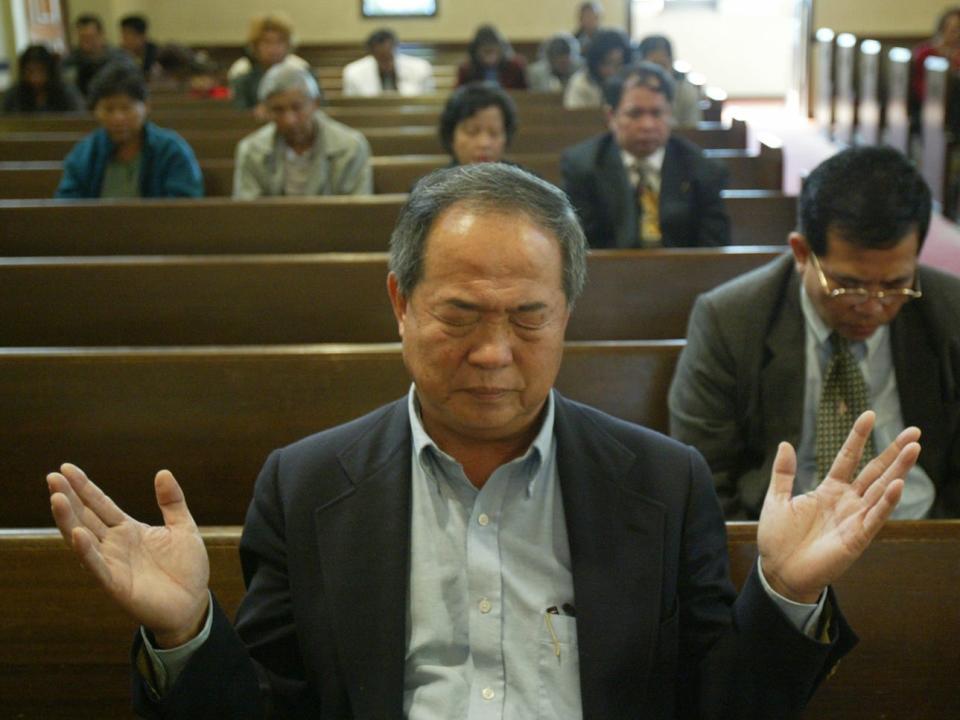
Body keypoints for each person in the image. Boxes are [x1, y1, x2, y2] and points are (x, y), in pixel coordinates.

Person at [48, 162, 919, 718]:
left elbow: (717, 707)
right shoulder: (309, 485)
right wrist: (190, 634)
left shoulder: (662, 480)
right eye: (459, 315)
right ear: (399, 303)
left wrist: (783, 597)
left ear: (567, 311)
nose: (494, 353)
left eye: (529, 317)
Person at [669, 145, 960, 521]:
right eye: (849, 285)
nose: (873, 306)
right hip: (784, 535)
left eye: (895, 284)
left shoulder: (949, 312)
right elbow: (705, 476)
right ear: (802, 252)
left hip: (920, 529)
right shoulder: (730, 321)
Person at [561, 62, 730, 248]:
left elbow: (714, 249)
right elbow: (579, 247)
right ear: (611, 116)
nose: (647, 125)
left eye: (657, 113)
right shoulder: (583, 166)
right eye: (635, 114)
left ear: (670, 113)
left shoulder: (703, 169)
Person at [55, 62, 203, 199]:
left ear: (146, 106)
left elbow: (185, 204)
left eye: (126, 108)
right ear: (96, 111)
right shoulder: (85, 152)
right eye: (108, 109)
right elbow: (66, 204)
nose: (118, 118)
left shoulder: (171, 149)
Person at [232, 64, 372, 199]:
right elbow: (247, 213)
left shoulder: (350, 146)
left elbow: (357, 213)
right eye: (278, 110)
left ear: (315, 104)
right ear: (266, 111)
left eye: (297, 107)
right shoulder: (251, 150)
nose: (289, 120)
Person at [228, 12, 313, 111]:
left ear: (288, 44)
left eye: (279, 42)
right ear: (255, 46)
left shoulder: (302, 71)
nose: (273, 48)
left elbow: (316, 106)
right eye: (267, 42)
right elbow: (238, 113)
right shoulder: (242, 76)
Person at [439, 82, 517, 165]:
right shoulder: (437, 178)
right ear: (451, 136)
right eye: (471, 132)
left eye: (494, 133)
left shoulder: (521, 177)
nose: (484, 143)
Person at [342, 28, 435, 96]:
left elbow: (428, 99)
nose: (385, 62)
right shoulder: (353, 72)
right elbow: (352, 104)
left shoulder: (420, 68)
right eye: (381, 57)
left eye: (388, 56)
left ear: (395, 49)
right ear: (372, 53)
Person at [637, 34, 702, 126]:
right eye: (652, 66)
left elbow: (692, 129)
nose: (658, 73)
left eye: (662, 65)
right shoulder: (630, 90)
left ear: (671, 63)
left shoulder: (685, 91)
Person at [2, 44, 84, 113]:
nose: (35, 78)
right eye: (30, 72)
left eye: (40, 71)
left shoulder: (68, 92)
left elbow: (80, 121)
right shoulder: (13, 96)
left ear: (49, 71)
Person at [62, 14, 128, 96]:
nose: (86, 42)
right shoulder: (70, 61)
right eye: (82, 38)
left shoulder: (120, 60)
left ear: (101, 35)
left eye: (90, 37)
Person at [563, 27, 630, 109]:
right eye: (606, 63)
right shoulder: (581, 83)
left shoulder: (631, 82)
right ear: (595, 63)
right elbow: (574, 117)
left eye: (618, 64)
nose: (612, 71)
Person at [911, 6, 960, 107]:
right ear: (941, 29)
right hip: (929, 103)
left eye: (957, 29)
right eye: (949, 28)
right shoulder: (924, 52)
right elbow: (918, 87)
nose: (953, 33)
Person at [456, 24, 528, 89]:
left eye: (494, 51)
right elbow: (457, 98)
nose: (491, 56)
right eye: (486, 51)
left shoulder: (515, 67)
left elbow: (526, 95)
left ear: (502, 50)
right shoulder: (467, 69)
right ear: (475, 52)